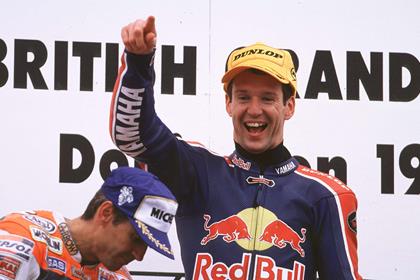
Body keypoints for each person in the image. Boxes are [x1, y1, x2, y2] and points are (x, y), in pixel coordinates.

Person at [110, 16, 362, 280]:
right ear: (228, 103)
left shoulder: (326, 195)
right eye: (243, 97)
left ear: (289, 106)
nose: (254, 110)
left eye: (267, 98)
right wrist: (138, 63)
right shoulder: (199, 170)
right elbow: (132, 135)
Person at [0, 166, 178, 279]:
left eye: (147, 245)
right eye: (136, 238)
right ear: (106, 213)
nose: (139, 255)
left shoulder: (118, 276)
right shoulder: (23, 238)